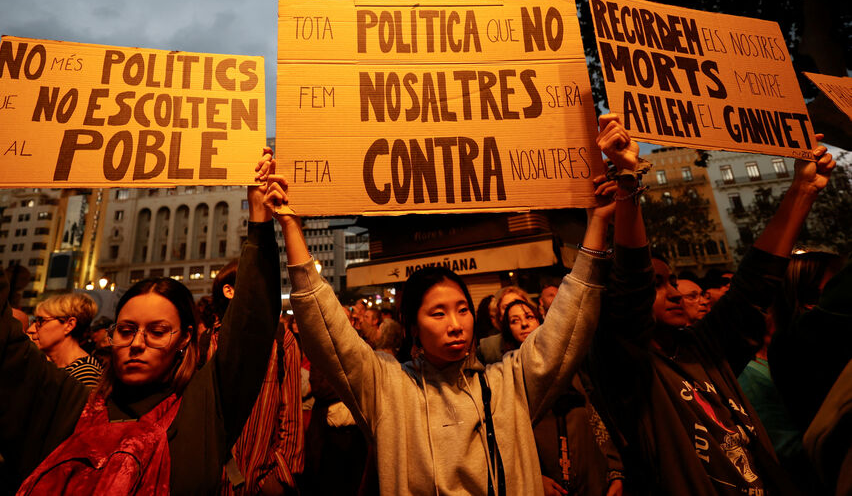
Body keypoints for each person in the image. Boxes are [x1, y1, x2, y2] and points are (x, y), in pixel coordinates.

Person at [273, 125, 625, 493]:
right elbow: (327, 329)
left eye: (462, 310)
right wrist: (291, 226)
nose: (456, 325)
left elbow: (569, 323)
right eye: (438, 314)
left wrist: (598, 222)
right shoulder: (387, 388)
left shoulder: (510, 385)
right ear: (412, 327)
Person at [0, 150, 281, 495]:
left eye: (158, 332)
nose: (137, 343)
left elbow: (250, 325)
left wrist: (261, 220)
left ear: (185, 340)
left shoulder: (206, 409)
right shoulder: (64, 408)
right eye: (126, 330)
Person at [588, 117, 836, 495]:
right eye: (656, 285)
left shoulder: (703, 350)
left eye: (672, 281)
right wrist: (627, 179)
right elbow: (630, 285)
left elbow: (755, 284)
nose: (672, 293)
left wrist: (803, 190)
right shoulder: (627, 368)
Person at [499, 298, 624, 496]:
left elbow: (594, 418)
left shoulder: (568, 365)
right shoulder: (507, 376)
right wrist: (534, 478)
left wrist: (615, 471)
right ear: (508, 331)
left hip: (591, 477)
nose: (524, 324)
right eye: (515, 321)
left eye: (529, 316)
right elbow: (508, 438)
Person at [210, 259, 303, 495]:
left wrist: (281, 476)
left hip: (261, 479)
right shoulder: (207, 344)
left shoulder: (282, 341)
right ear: (229, 290)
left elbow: (290, 412)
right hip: (210, 480)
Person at [26, 292, 103, 387]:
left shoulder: (84, 374)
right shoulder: (52, 367)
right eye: (35, 321)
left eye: (41, 321)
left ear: (69, 325)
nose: (31, 329)